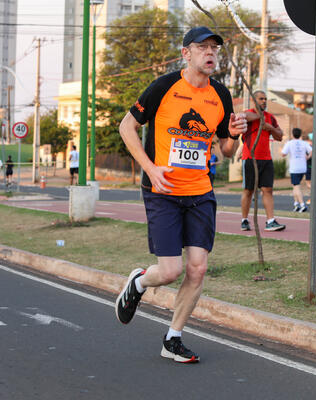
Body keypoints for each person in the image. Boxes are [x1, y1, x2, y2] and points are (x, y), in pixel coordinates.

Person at [115, 26, 247, 363]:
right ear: (186, 53)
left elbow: (227, 150)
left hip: (200, 191)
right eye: (203, 47)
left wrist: (233, 137)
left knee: (198, 269)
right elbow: (126, 127)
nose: (211, 52)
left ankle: (173, 338)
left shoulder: (221, 95)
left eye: (215, 48)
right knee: (170, 271)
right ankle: (140, 282)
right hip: (162, 190)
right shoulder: (163, 87)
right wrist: (150, 168)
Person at [240, 90, 285, 232]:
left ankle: (270, 221)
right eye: (261, 99)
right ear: (254, 100)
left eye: (265, 99)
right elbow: (246, 116)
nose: (264, 101)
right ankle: (244, 220)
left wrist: (270, 127)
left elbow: (279, 136)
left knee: (268, 190)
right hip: (250, 158)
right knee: (248, 190)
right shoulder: (248, 114)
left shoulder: (270, 118)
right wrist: (259, 116)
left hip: (266, 159)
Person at [281, 128, 312, 212]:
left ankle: (302, 205)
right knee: (295, 186)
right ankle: (296, 204)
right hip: (303, 167)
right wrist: (308, 157)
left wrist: (281, 149)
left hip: (294, 168)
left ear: (292, 134)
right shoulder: (304, 143)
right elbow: (311, 151)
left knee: (297, 186)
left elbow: (283, 154)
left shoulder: (289, 143)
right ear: (300, 134)